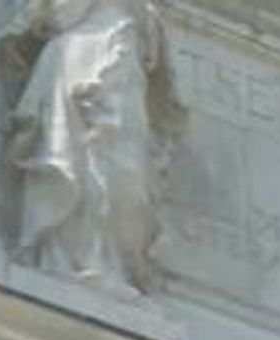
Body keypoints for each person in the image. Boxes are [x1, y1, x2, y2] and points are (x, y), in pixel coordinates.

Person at [9, 0, 172, 291]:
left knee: (126, 171)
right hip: (82, 53)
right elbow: (48, 15)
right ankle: (74, 258)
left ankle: (107, 260)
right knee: (75, 157)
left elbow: (153, 45)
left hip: (122, 54)